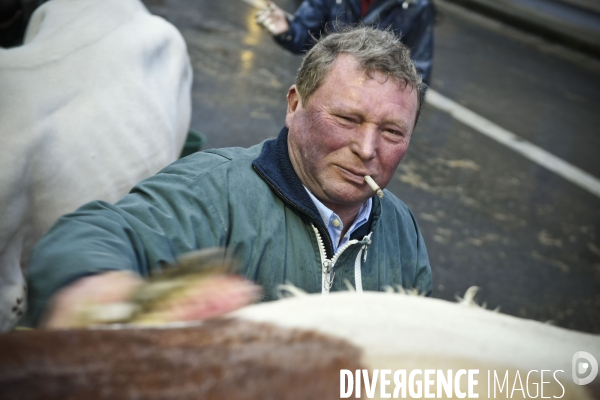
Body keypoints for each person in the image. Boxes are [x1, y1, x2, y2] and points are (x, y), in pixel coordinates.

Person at [23, 26, 432, 328]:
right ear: (294, 105)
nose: (367, 148)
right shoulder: (213, 191)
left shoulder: (402, 230)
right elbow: (94, 233)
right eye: (346, 118)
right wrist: (95, 290)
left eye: (392, 132)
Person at [255, 0, 434, 84]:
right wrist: (287, 29)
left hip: (374, 98)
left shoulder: (416, 5)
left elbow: (419, 71)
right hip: (330, 84)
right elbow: (306, 36)